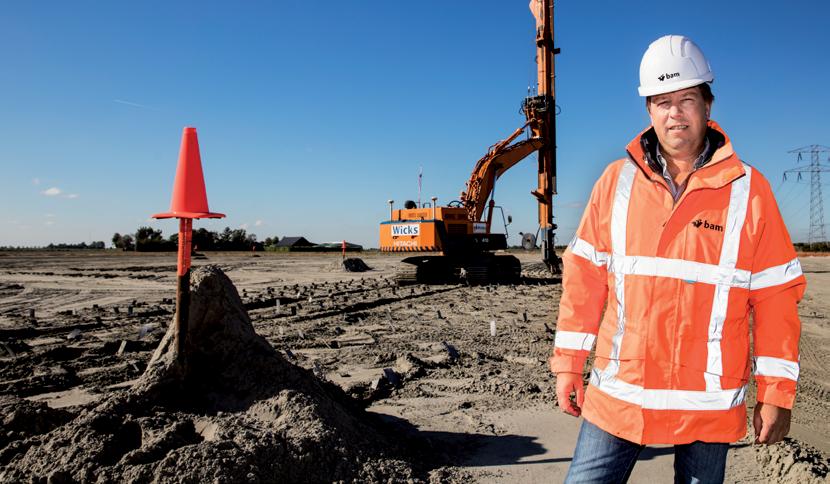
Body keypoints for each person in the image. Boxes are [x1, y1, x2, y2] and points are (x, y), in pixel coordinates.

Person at [550, 34, 806, 483]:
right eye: (663, 101)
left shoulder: (750, 191)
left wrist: (777, 394)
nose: (675, 113)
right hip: (621, 395)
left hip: (705, 406)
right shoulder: (616, 183)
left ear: (708, 104)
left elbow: (776, 299)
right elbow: (583, 280)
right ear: (649, 109)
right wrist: (570, 364)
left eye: (686, 99)